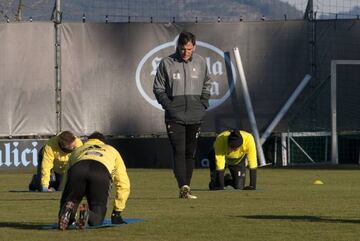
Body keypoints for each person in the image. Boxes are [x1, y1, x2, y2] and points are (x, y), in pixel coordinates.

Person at [153, 31, 212, 199]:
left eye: (189, 49)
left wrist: (203, 104)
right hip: (174, 117)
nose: (186, 52)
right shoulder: (167, 63)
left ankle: (187, 186)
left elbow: (208, 83)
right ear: (178, 46)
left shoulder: (201, 62)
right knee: (178, 151)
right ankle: (183, 187)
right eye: (183, 48)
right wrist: (170, 107)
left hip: (195, 115)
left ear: (194, 47)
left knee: (190, 153)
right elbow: (158, 88)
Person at [58, 132, 130, 230]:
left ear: (88, 141)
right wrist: (117, 212)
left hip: (78, 169)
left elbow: (67, 176)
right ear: (103, 142)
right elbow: (123, 183)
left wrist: (65, 198)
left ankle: (68, 214)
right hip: (100, 172)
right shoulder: (112, 150)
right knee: (97, 218)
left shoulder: (78, 150)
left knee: (70, 202)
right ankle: (87, 213)